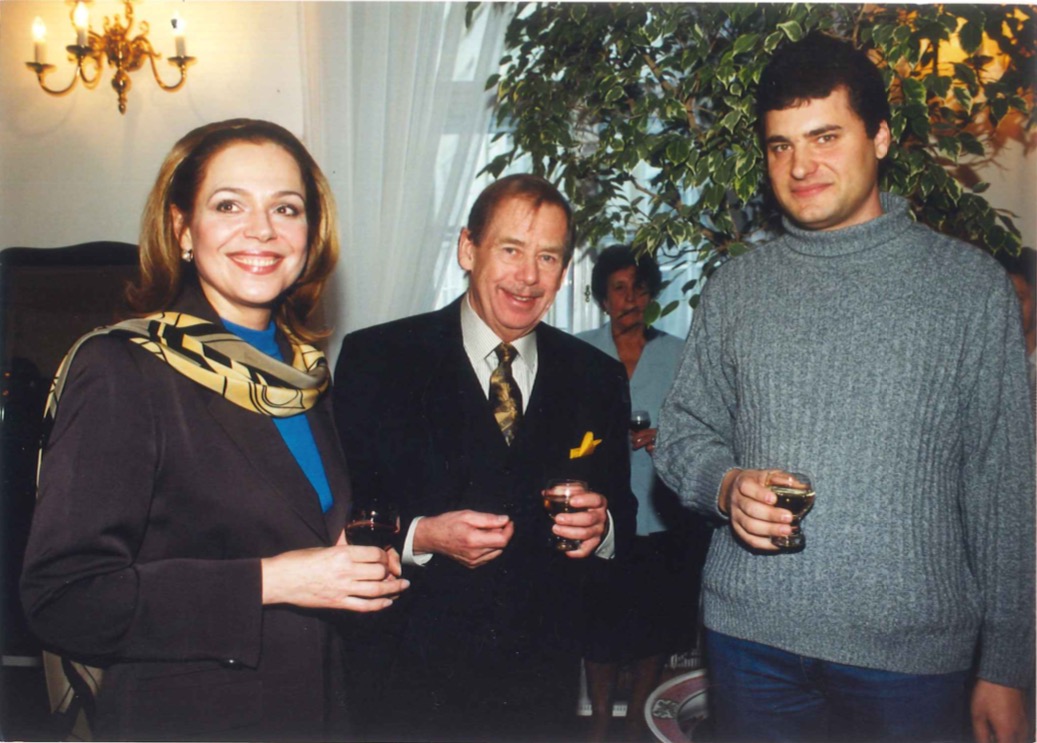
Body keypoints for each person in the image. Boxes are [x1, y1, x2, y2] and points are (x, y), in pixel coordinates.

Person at [654, 32, 1035, 743]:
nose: (800, 166)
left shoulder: (968, 288)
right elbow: (681, 434)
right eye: (780, 145)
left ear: (881, 137)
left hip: (912, 664)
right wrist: (724, 484)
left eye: (824, 137)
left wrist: (1009, 666)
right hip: (749, 643)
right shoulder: (737, 287)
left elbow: (1003, 488)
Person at [20, 118, 409, 742]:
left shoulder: (301, 375)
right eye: (230, 205)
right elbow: (64, 598)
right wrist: (274, 580)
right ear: (182, 230)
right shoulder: (123, 367)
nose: (262, 230)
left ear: (310, 234)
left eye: (286, 208)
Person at [333, 174, 637, 742]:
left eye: (548, 257)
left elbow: (623, 507)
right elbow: (339, 511)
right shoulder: (379, 358)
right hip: (408, 680)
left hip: (540, 686)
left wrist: (604, 527)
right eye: (511, 250)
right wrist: (422, 536)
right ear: (468, 249)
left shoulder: (595, 375)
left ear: (564, 272)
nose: (529, 276)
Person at [577, 245, 710, 742]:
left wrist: (666, 438)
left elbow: (700, 425)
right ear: (602, 298)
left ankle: (637, 718)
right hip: (601, 513)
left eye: (638, 288)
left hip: (660, 511)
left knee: (655, 622)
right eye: (619, 289)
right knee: (600, 625)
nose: (630, 298)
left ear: (650, 295)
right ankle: (597, 723)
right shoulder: (579, 352)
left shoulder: (677, 354)